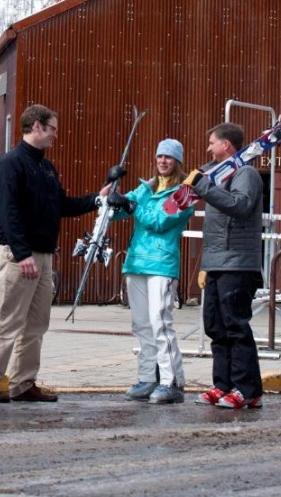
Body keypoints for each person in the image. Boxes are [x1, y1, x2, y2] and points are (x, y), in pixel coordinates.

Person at [0, 104, 111, 403]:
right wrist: (22, 253)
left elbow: (61, 205)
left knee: (37, 323)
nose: (54, 135)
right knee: (9, 320)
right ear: (36, 126)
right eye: (52, 129)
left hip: (43, 254)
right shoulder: (11, 163)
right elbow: (7, 212)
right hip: (19, 255)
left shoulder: (47, 168)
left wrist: (96, 199)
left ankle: (23, 383)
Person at [176, 122, 264, 410]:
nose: (208, 148)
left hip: (238, 264)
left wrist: (204, 186)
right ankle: (223, 384)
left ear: (226, 144)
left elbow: (240, 205)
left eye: (212, 143)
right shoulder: (216, 174)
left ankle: (247, 390)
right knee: (215, 326)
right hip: (216, 262)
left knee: (235, 326)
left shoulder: (245, 173)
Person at [108, 138, 194, 405]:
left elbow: (159, 221)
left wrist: (132, 206)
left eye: (169, 157)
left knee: (160, 322)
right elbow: (114, 213)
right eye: (160, 156)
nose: (163, 161)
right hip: (136, 262)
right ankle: (147, 378)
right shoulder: (146, 188)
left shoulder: (185, 193)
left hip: (162, 263)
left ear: (177, 161)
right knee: (142, 325)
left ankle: (172, 382)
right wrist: (112, 190)